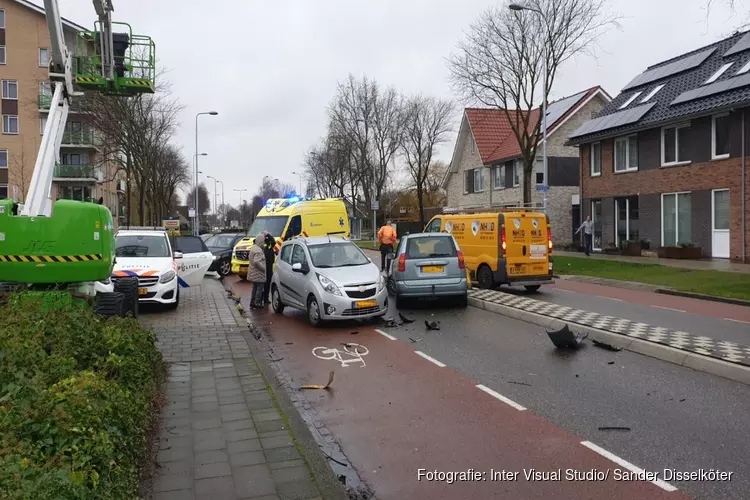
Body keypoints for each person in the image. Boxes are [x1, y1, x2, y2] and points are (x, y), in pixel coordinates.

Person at [247, 234, 267, 308]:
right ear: (261, 241)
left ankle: (252, 302)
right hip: (258, 273)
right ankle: (257, 302)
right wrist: (263, 268)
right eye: (263, 241)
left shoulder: (254, 248)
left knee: (255, 288)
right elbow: (256, 261)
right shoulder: (259, 250)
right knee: (259, 288)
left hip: (253, 272)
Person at [262, 232, 276, 304]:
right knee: (263, 284)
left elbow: (273, 242)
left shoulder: (269, 247)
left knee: (267, 284)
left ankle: (265, 298)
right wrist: (266, 235)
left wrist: (267, 235)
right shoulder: (263, 247)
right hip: (264, 268)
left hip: (269, 267)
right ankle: (262, 298)